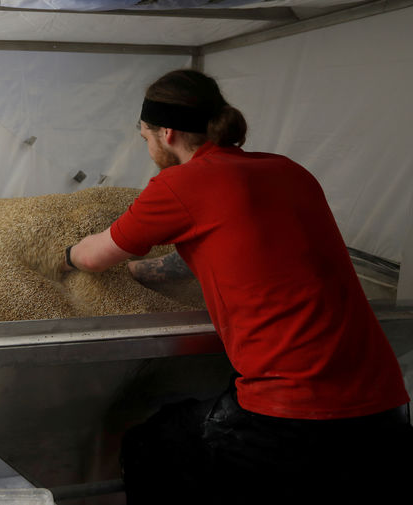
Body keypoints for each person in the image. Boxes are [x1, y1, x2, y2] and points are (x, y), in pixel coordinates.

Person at [62, 69, 412, 504]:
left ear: (165, 133)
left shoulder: (178, 185)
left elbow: (95, 255)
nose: (148, 147)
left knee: (149, 445)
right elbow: (225, 247)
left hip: (292, 410)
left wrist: (64, 255)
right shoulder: (286, 169)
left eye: (145, 136)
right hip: (385, 401)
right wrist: (140, 275)